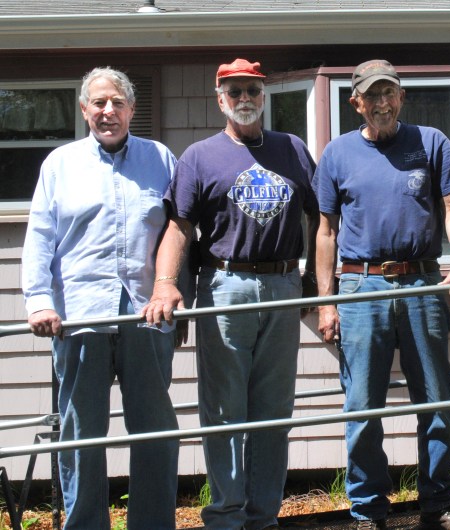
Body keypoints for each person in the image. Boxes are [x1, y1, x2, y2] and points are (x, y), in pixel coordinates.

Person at [143, 58, 319, 530]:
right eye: (235, 91)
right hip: (225, 286)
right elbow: (179, 227)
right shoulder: (199, 157)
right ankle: (225, 516)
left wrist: (318, 286)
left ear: (264, 97)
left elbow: (322, 218)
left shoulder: (294, 149)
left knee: (273, 409)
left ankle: (263, 516)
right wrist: (166, 285)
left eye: (253, 90)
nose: (245, 98)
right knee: (223, 409)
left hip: (283, 285)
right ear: (220, 99)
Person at [314, 59, 450, 530]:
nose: (382, 103)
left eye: (390, 93)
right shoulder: (337, 153)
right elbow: (325, 232)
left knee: (435, 399)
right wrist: (327, 301)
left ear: (401, 96)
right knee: (362, 405)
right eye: (372, 95)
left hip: (422, 282)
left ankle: (439, 506)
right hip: (359, 286)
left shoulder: (430, 141)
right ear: (356, 103)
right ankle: (368, 512)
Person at [21, 67, 181, 530]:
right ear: (84, 109)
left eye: (117, 102)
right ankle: (86, 523)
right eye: (98, 103)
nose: (107, 111)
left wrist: (177, 295)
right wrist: (38, 301)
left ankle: (151, 524)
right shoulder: (60, 164)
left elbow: (178, 230)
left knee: (154, 430)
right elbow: (40, 238)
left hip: (146, 318)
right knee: (80, 436)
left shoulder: (161, 159)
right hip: (78, 318)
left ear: (132, 108)